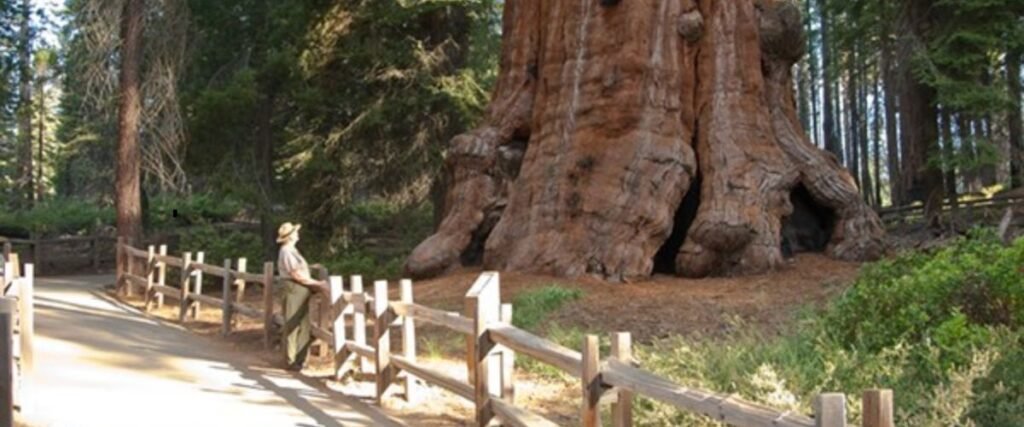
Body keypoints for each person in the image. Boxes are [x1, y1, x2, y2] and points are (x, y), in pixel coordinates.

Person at [276, 222, 327, 370]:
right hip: (293, 287)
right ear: (290, 236)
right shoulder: (286, 251)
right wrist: (316, 283)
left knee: (303, 323)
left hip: (300, 288)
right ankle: (290, 360)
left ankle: (299, 359)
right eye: (295, 232)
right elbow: (295, 274)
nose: (297, 234)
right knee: (293, 322)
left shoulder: (292, 250)